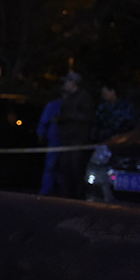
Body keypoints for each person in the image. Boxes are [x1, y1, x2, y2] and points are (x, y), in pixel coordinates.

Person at [56, 71, 94, 199]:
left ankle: (80, 197)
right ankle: (68, 196)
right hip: (67, 138)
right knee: (65, 168)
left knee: (76, 168)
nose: (65, 84)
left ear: (74, 83)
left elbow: (87, 117)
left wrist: (69, 117)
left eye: (67, 81)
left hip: (78, 139)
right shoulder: (68, 98)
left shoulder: (83, 97)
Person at [36, 95, 63, 196]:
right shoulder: (54, 105)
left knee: (63, 168)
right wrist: (41, 134)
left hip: (67, 141)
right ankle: (46, 192)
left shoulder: (70, 105)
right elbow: (44, 121)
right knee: (51, 167)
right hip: (54, 141)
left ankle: (63, 192)